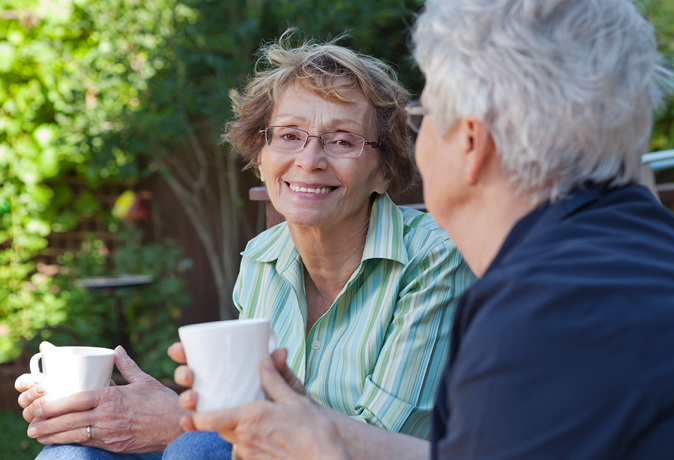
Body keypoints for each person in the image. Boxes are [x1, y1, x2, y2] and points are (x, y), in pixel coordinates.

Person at [173, 0, 674, 459]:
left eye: (425, 116)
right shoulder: (646, 253)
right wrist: (320, 427)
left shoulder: (541, 309)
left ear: (470, 143)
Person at [14, 36, 475, 459]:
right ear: (261, 157)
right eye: (289, 135)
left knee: (195, 446)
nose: (309, 161)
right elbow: (242, 407)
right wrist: (114, 410)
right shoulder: (262, 258)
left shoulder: (434, 258)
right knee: (69, 454)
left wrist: (180, 418)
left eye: (342, 141)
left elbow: (368, 438)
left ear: (384, 171)